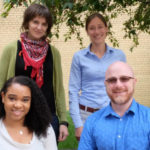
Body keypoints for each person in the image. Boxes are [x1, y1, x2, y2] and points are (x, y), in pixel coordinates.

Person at [0, 4, 68, 141]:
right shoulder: (11, 49)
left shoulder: (53, 53)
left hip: (47, 117)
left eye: (44, 24)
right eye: (35, 22)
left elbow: (59, 89)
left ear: (48, 27)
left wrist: (63, 122)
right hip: (16, 115)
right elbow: (1, 84)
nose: (39, 27)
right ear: (27, 23)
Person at [69, 13, 126, 140]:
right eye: (92, 28)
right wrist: (78, 125)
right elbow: (73, 91)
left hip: (112, 114)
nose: (97, 31)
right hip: (86, 116)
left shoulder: (119, 56)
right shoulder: (79, 57)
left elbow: (124, 88)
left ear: (106, 28)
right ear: (87, 31)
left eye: (100, 27)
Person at [78, 61, 150, 150]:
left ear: (134, 82)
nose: (118, 85)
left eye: (124, 79)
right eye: (112, 80)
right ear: (105, 84)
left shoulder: (148, 118)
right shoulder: (92, 122)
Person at [0, 76, 57, 150]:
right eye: (12, 98)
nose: (18, 105)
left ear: (31, 101)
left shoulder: (45, 128)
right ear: (3, 97)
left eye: (25, 100)